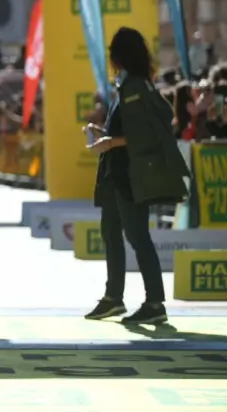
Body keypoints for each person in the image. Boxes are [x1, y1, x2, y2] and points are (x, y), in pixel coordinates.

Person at [82, 27, 189, 325]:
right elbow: (128, 130)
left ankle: (154, 302)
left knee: (137, 237)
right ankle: (113, 298)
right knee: (111, 233)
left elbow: (145, 134)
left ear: (120, 55)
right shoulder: (128, 84)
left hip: (131, 174)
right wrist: (102, 133)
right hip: (118, 173)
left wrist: (110, 142)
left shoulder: (135, 87)